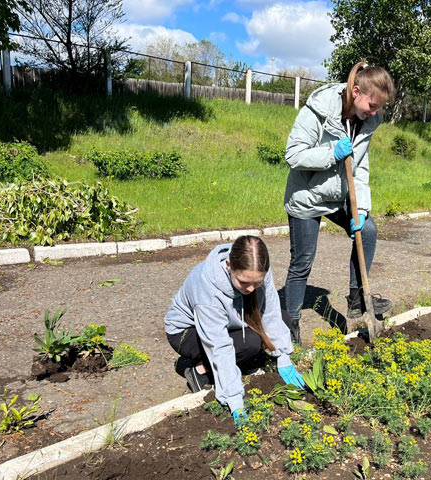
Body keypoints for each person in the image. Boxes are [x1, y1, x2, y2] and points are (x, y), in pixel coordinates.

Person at [283, 61, 396, 342]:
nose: (375, 112)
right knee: (302, 262)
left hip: (339, 195)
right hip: (307, 196)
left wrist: (363, 208)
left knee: (367, 230)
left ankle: (358, 299)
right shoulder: (319, 109)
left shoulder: (366, 121)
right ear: (355, 91)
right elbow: (293, 155)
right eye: (372, 105)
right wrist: (331, 153)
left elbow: (361, 166)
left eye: (379, 107)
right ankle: (290, 323)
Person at [164, 235, 305, 426]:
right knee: (252, 343)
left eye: (256, 283)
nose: (250, 288)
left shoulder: (257, 268)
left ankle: (239, 362)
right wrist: (234, 398)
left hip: (229, 320)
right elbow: (219, 346)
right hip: (187, 332)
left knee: (285, 319)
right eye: (243, 282)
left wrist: (282, 355)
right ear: (229, 265)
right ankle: (199, 370)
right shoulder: (208, 290)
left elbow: (270, 310)